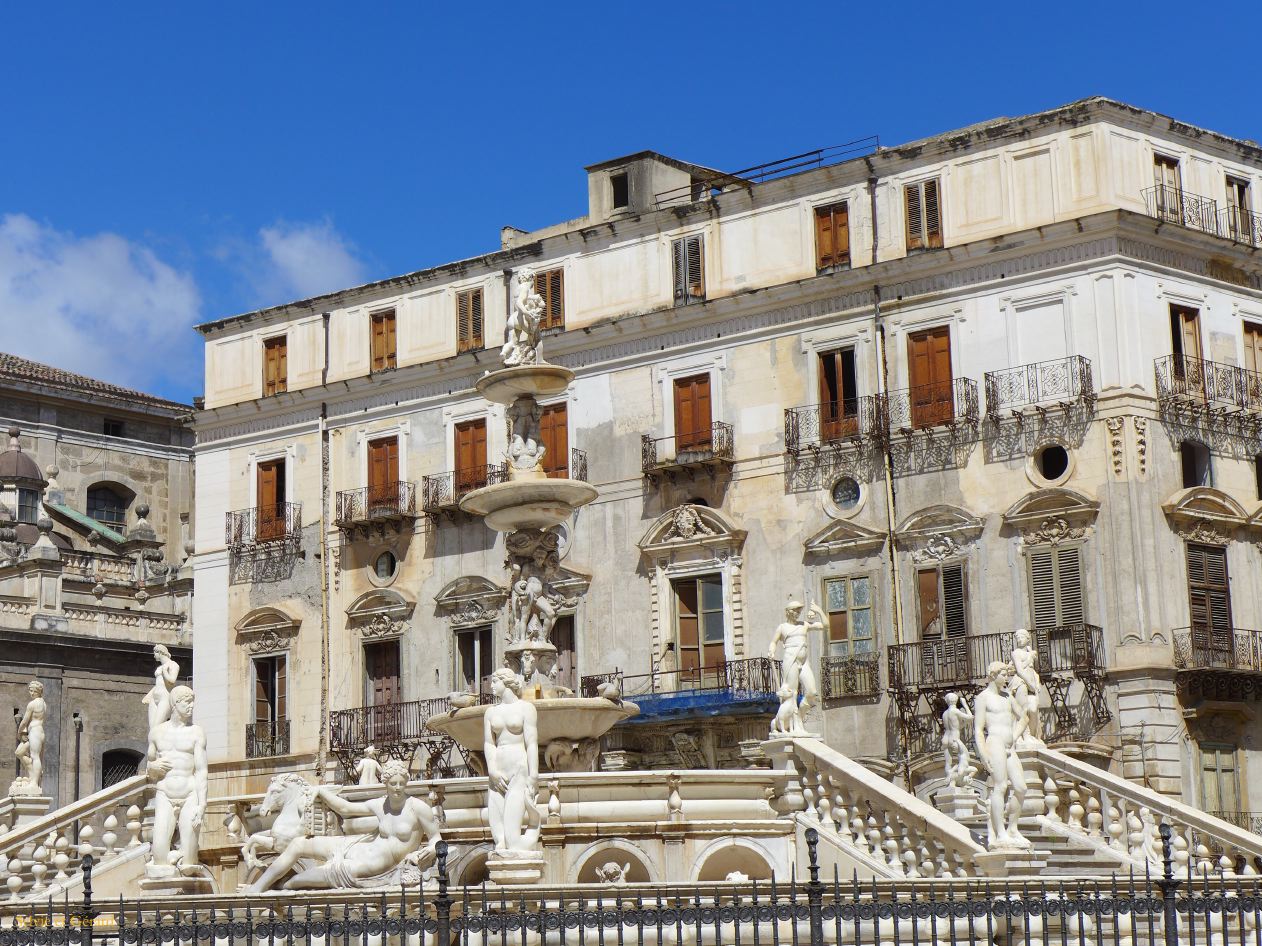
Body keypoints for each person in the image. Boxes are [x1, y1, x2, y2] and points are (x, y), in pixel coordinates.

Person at [246, 759, 442, 892]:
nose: (398, 788)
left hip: (373, 865)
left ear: (406, 782)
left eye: (401, 783)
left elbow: (436, 839)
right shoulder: (381, 804)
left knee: (301, 880)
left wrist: (430, 851)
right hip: (359, 846)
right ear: (386, 784)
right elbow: (346, 809)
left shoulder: (418, 808)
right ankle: (256, 889)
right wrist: (321, 792)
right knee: (298, 843)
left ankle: (284, 887)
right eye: (393, 783)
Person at [147, 686, 208, 875]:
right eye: (187, 702)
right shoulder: (157, 733)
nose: (191, 707)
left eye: (192, 702)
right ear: (174, 704)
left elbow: (201, 770)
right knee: (159, 855)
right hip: (165, 792)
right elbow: (149, 767)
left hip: (190, 793)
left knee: (190, 860)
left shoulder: (196, 732)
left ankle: (183, 867)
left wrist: (202, 805)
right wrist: (153, 768)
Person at [972, 662, 1030, 850]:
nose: (1006, 678)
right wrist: (983, 753)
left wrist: (1013, 737)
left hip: (1008, 744)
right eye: (1003, 674)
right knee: (1001, 786)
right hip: (994, 743)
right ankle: (1000, 832)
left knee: (1021, 787)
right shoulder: (983, 698)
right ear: (992, 675)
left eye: (1007, 674)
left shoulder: (1007, 697)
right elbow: (979, 730)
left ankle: (1013, 828)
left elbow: (1024, 717)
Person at [483, 668, 540, 854]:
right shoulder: (490, 713)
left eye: (494, 682)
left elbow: (531, 743)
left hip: (519, 766)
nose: (490, 685)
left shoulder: (526, 708)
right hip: (498, 767)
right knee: (498, 829)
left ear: (505, 682)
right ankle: (501, 849)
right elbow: (489, 743)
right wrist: (491, 769)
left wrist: (534, 776)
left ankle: (518, 845)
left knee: (511, 834)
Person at [767, 600, 824, 727]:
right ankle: (792, 724)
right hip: (790, 660)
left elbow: (825, 625)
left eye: (799, 611)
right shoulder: (782, 627)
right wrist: (771, 650)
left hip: (804, 662)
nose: (797, 613)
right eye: (795, 610)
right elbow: (773, 641)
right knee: (791, 694)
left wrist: (818, 611)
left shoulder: (804, 624)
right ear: (788, 612)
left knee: (812, 692)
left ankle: (799, 718)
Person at [1009, 629, 1042, 746]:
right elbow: (1019, 670)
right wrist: (1030, 684)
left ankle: (1033, 735)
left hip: (1032, 683)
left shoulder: (1030, 651)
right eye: (1017, 638)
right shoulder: (1016, 653)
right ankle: (1024, 735)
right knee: (1023, 710)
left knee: (1033, 709)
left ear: (1028, 639)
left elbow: (1033, 671)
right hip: (1021, 682)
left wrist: (1037, 683)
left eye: (1022, 637)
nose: (1019, 639)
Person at [14, 681, 46, 793]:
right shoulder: (43, 703)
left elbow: (24, 721)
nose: (31, 693)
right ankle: (34, 775)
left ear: (39, 691)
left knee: (35, 756)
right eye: (30, 690)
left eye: (34, 691)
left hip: (35, 732)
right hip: (36, 732)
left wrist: (19, 732)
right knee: (19, 752)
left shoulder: (32, 704)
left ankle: (34, 783)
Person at [143, 644, 180, 730]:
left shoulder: (173, 664)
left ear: (160, 652)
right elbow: (158, 684)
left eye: (155, 653)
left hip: (165, 698)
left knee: (157, 727)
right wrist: (149, 695)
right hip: (154, 698)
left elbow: (172, 680)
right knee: (152, 729)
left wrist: (164, 672)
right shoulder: (160, 667)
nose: (154, 655)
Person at [940, 691, 974, 787]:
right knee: (964, 757)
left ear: (947, 701)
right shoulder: (955, 711)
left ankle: (950, 780)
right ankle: (962, 779)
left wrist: (965, 723)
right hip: (954, 739)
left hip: (946, 738)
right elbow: (970, 717)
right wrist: (965, 704)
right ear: (956, 701)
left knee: (948, 762)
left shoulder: (945, 713)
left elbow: (956, 726)